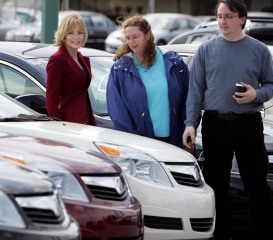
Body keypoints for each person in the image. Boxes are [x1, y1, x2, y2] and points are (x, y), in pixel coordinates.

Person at [182, 0, 273, 239]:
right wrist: (190, 124)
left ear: (242, 19)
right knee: (216, 187)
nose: (222, 21)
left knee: (256, 186)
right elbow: (195, 91)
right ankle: (221, 235)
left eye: (228, 16)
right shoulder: (205, 49)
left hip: (248, 123)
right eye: (219, 16)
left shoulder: (259, 50)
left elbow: (270, 85)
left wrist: (256, 94)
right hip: (215, 124)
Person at [106, 14, 190, 147]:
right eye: (128, 38)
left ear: (148, 35)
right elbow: (117, 109)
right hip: (139, 142)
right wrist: (131, 140)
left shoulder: (173, 62)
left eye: (135, 37)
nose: (131, 42)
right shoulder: (120, 69)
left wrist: (188, 126)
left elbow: (188, 99)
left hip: (174, 139)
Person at [46, 13, 96, 126]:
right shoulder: (57, 60)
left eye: (80, 32)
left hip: (87, 119)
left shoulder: (81, 58)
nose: (76, 37)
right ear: (63, 35)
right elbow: (51, 101)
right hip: (69, 123)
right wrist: (58, 126)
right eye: (70, 33)